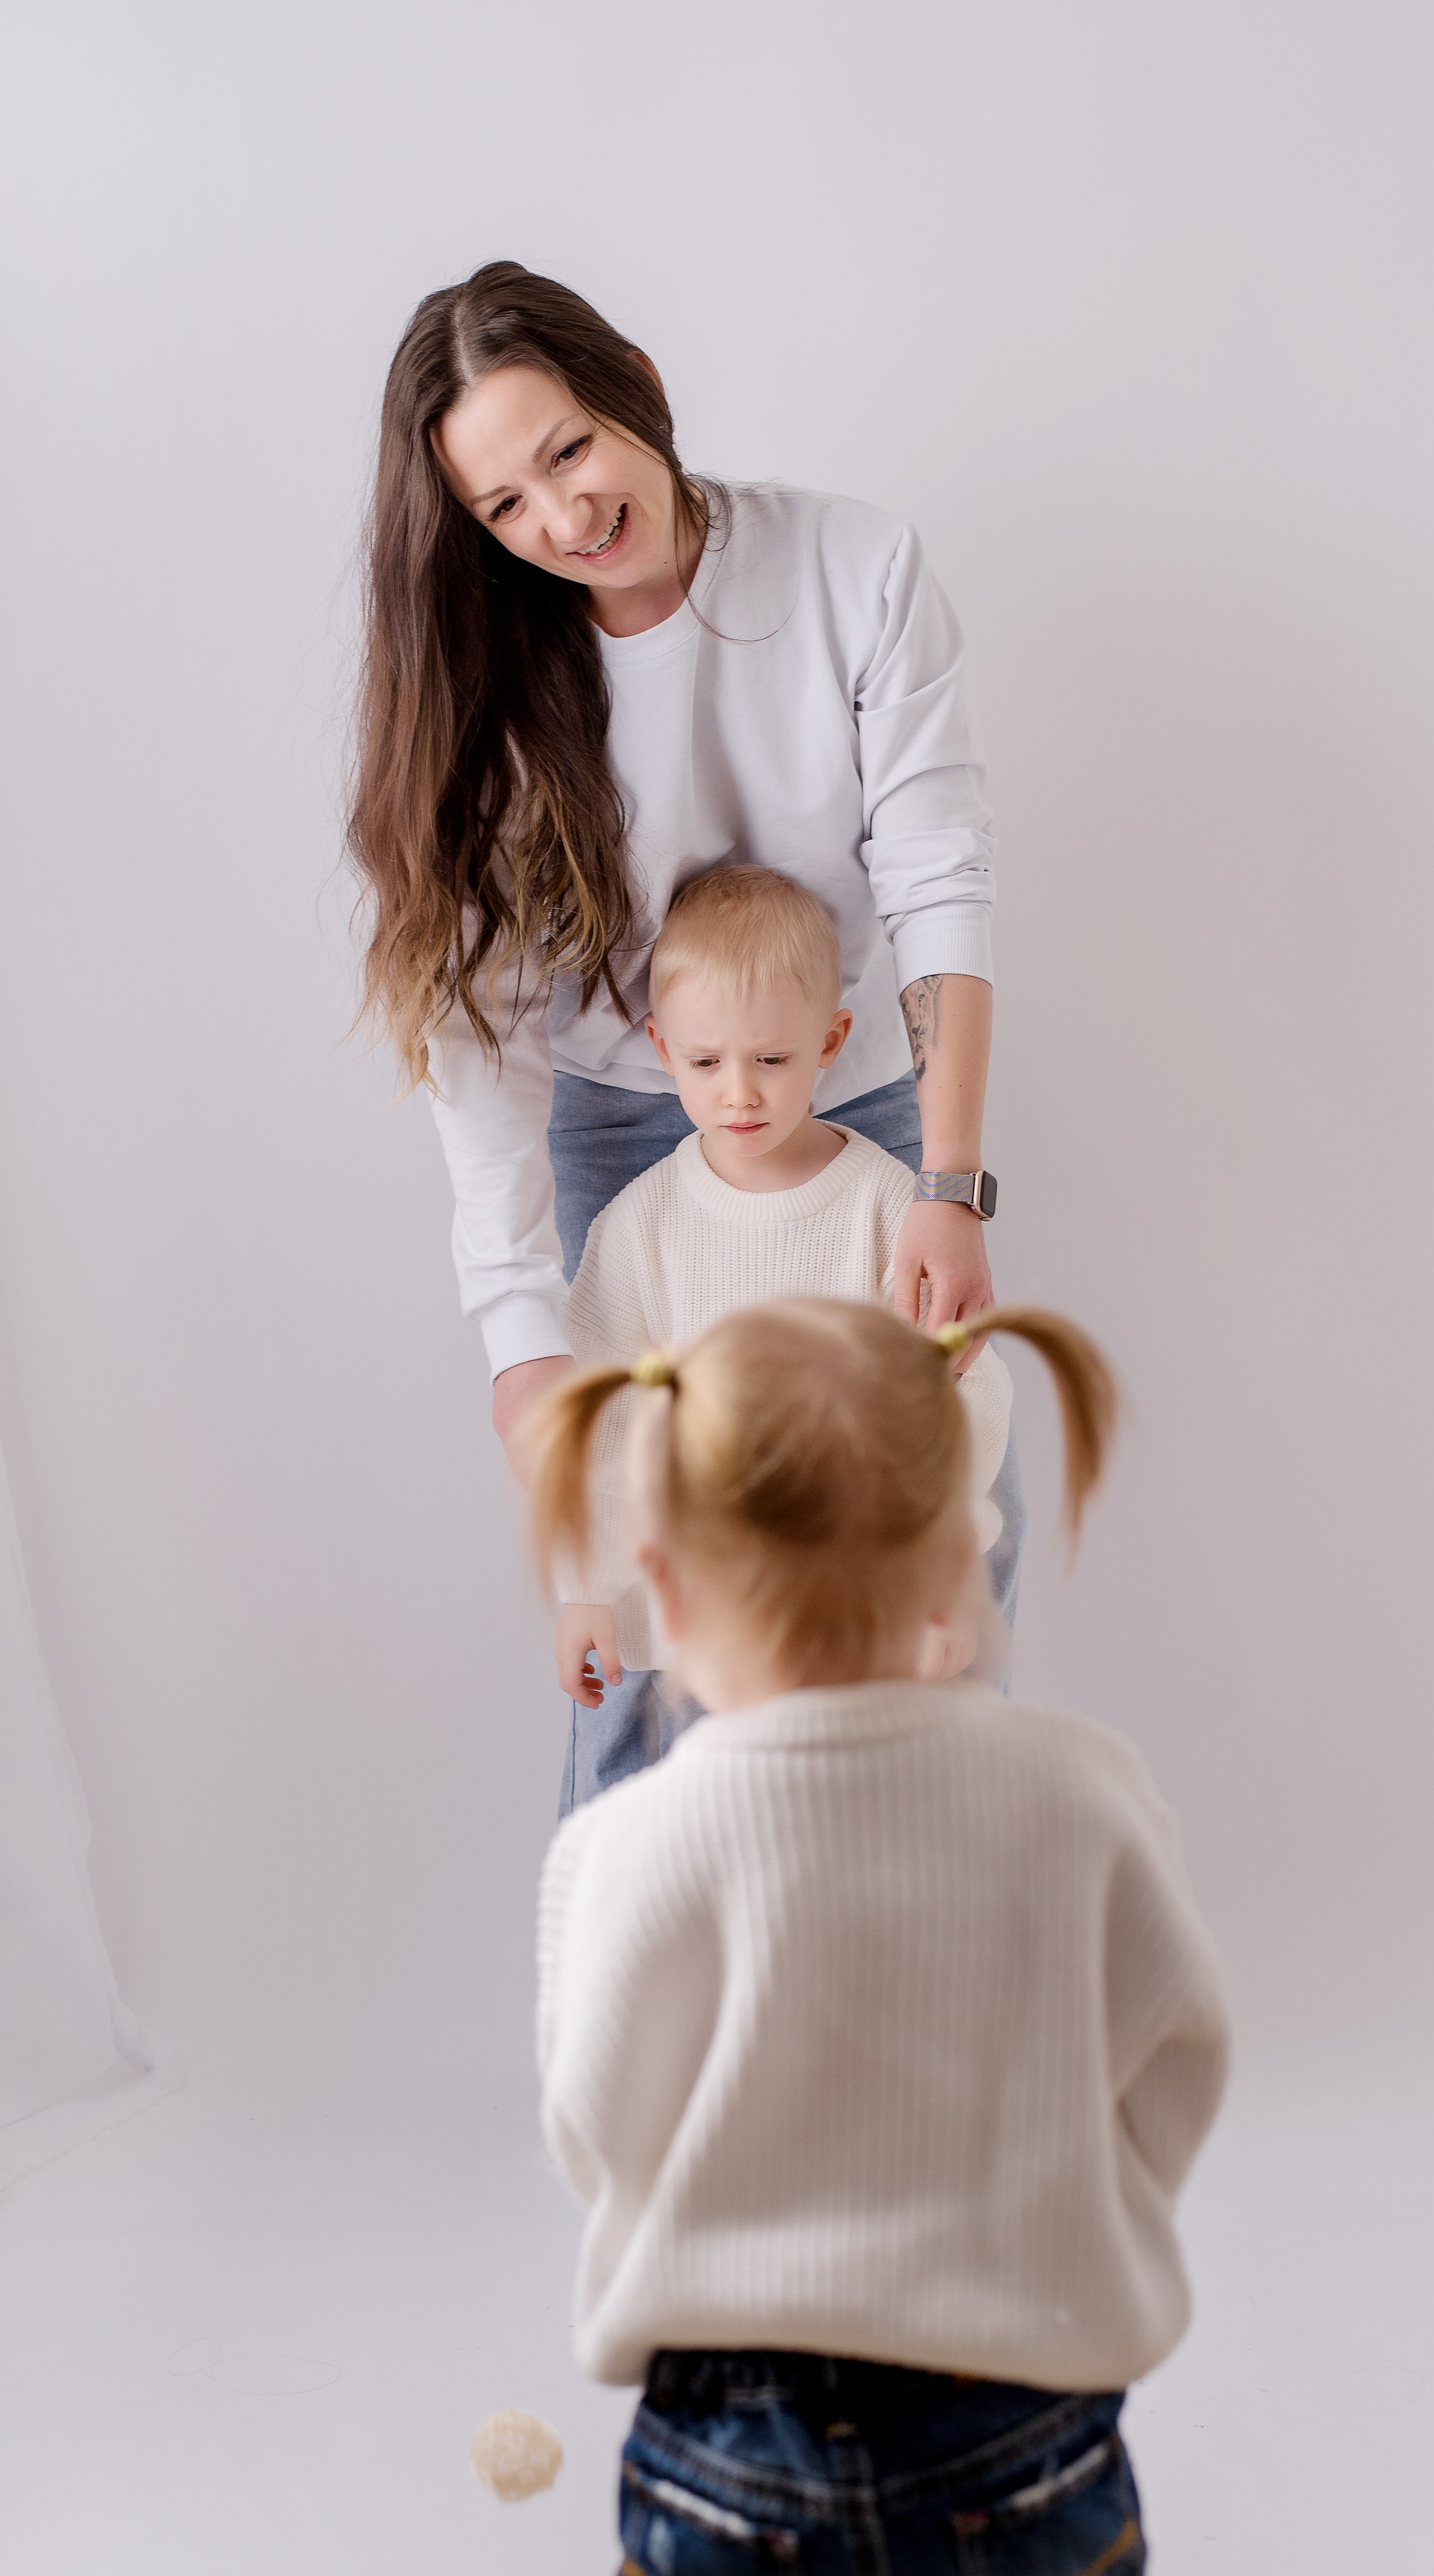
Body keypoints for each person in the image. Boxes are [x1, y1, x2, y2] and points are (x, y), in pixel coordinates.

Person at [347, 260, 1025, 1633]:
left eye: (569, 449)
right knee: (652, 1570)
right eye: (504, 504)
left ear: (637, 391)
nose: (564, 512)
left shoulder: (852, 567)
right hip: (616, 1129)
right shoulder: (489, 689)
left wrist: (947, 1181)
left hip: (851, 1101)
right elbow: (476, 1033)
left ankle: (928, 1827)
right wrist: (520, 1336)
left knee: (935, 1536)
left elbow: (937, 875)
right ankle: (637, 1853)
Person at [528, 1298, 1230, 2575]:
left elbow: (596, 2131)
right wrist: (1062, 2214)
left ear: (664, 1594)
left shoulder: (629, 1844)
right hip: (1028, 2427)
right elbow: (1178, 2060)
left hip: (730, 2462)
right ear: (970, 1547)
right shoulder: (1085, 1794)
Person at [552, 864, 1013, 1810]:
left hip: (852, 1606)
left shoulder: (887, 1209)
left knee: (852, 1821)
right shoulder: (642, 1227)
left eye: (770, 1060)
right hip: (698, 1618)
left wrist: (943, 1563)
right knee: (665, 1820)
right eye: (706, 1062)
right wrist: (585, 1591)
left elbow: (964, 1393)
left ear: (831, 1043)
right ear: (662, 1049)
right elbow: (591, 1420)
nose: (740, 1096)